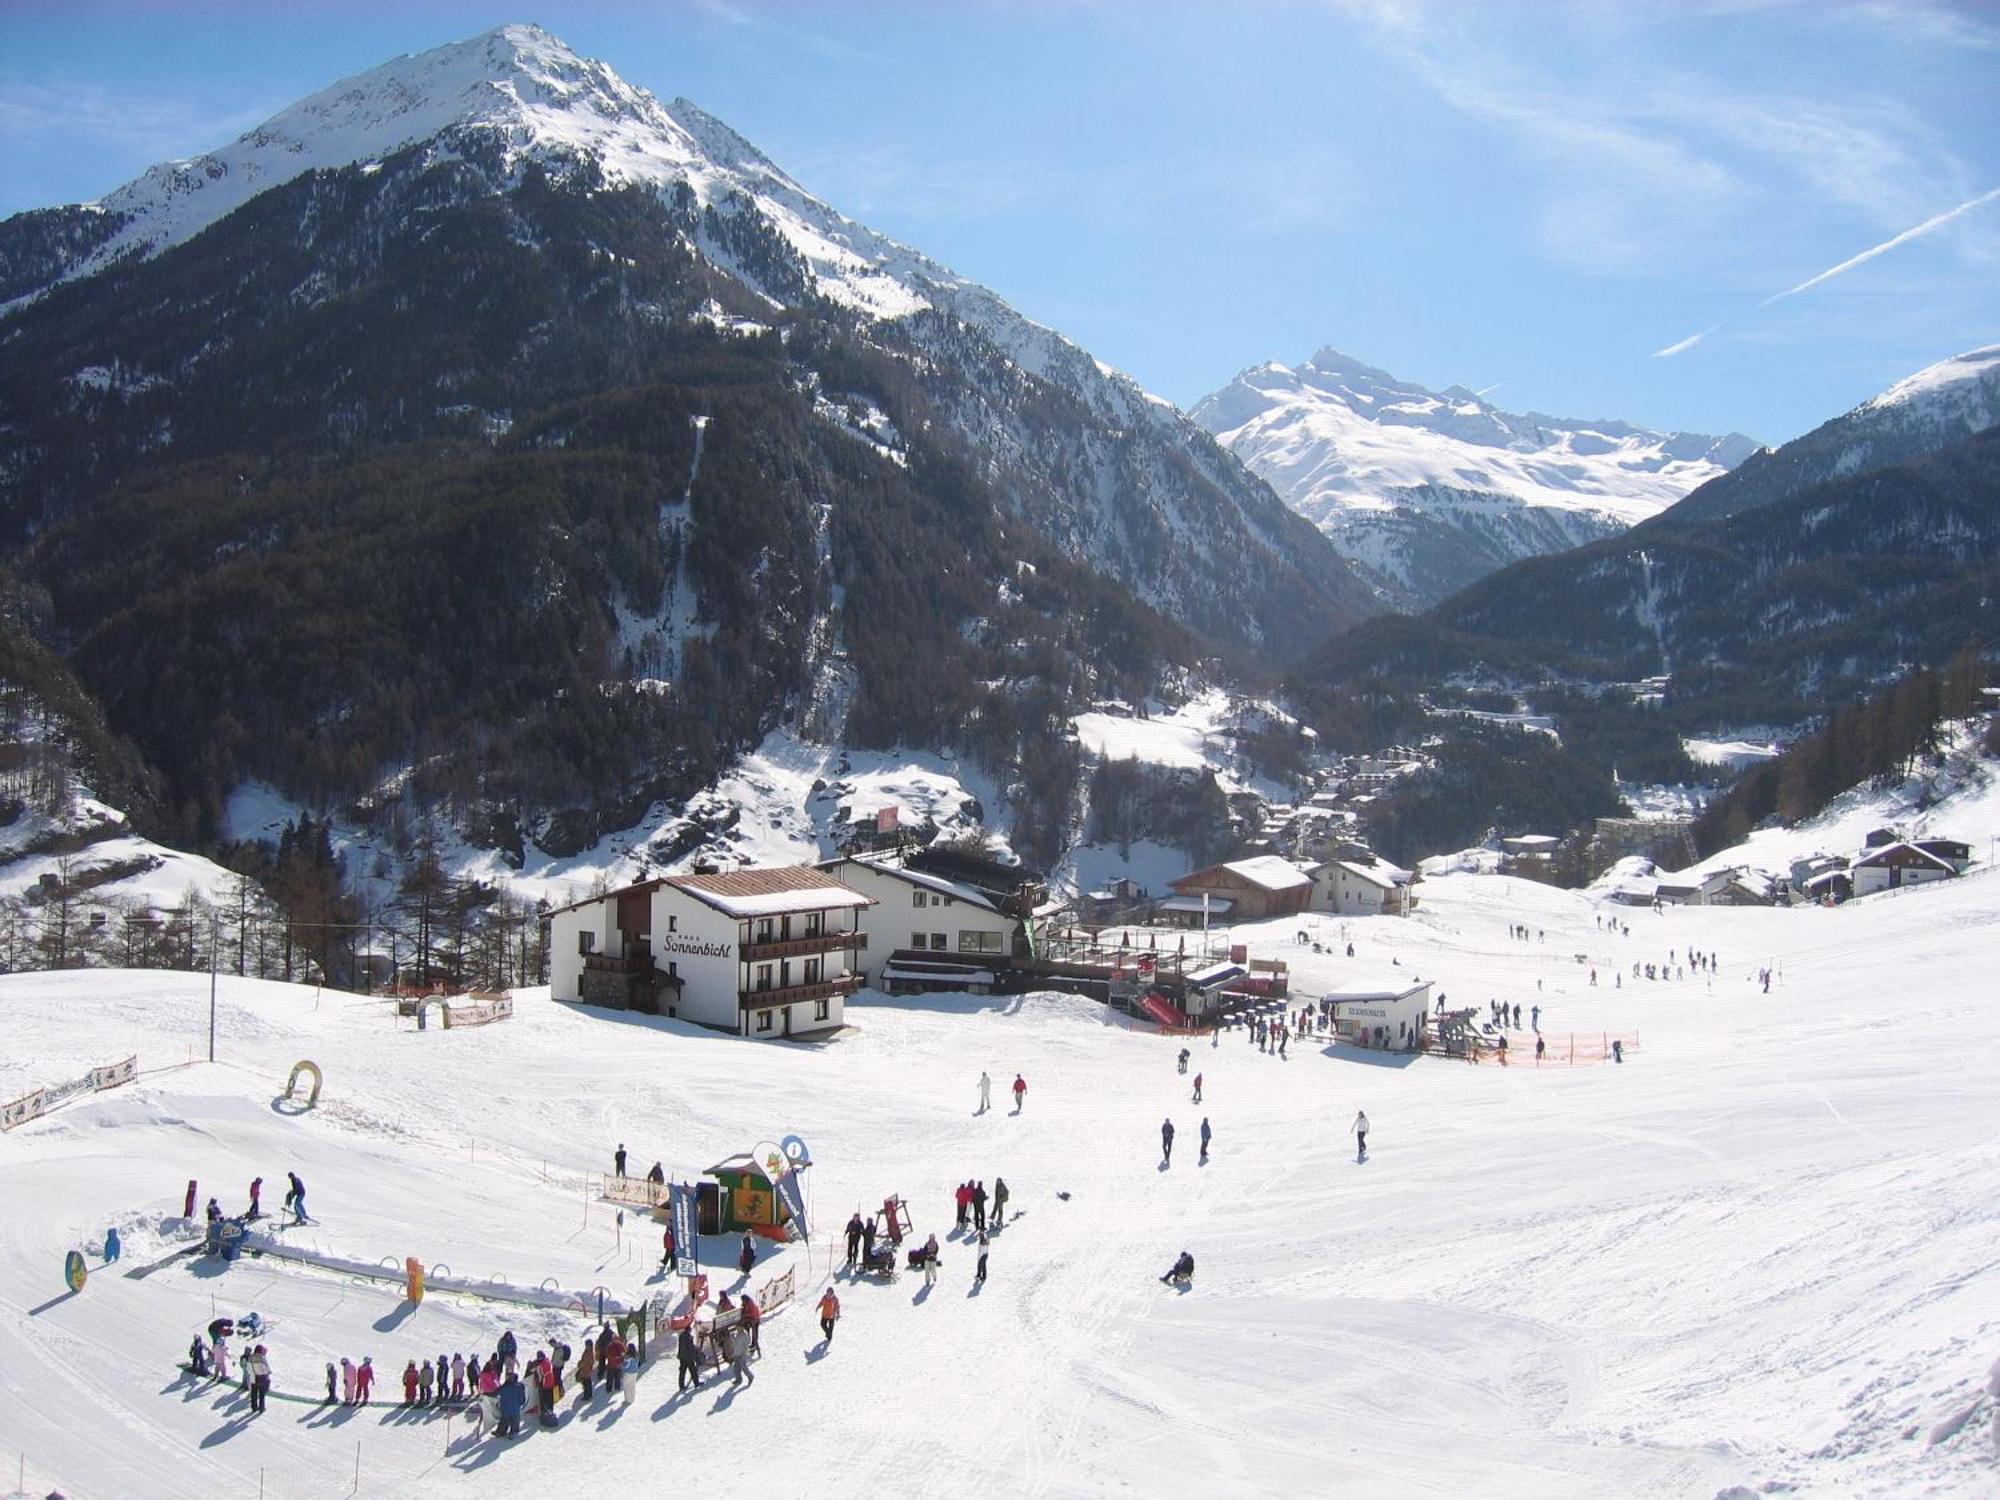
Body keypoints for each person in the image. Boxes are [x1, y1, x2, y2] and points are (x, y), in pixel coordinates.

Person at [497, 1372, 525, 1439]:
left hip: (505, 1407)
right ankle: (513, 1432)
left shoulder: (503, 1387)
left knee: (504, 1420)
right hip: (515, 1408)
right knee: (515, 1421)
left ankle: (501, 1432)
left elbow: (497, 1393)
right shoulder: (519, 1387)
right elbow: (521, 1398)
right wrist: (521, 1402)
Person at [726, 1323, 755, 1387]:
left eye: (738, 1327)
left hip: (742, 1354)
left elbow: (743, 1344)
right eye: (736, 1327)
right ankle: (738, 1380)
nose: (737, 1328)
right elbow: (735, 1344)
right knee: (736, 1368)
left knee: (744, 1368)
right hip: (736, 1354)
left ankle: (750, 1377)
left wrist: (744, 1352)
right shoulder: (737, 1333)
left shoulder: (744, 1335)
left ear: (742, 1327)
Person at [248, 1346, 271, 1415]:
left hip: (253, 1378)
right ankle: (261, 1408)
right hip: (261, 1378)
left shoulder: (250, 1357)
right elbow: (265, 1368)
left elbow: (248, 1368)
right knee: (261, 1393)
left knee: (254, 1393)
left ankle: (254, 1407)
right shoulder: (261, 1358)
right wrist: (268, 1372)